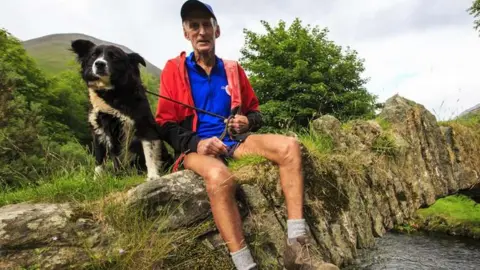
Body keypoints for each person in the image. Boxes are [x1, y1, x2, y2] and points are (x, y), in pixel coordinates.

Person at [155, 1, 340, 269]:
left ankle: (298, 250)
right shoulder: (174, 69)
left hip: (235, 141)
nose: (201, 31)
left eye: (207, 25)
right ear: (186, 34)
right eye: (194, 26)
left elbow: (256, 113)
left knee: (289, 146)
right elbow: (164, 123)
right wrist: (198, 143)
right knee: (220, 177)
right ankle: (245, 265)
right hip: (196, 149)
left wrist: (246, 122)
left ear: (217, 31)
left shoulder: (232, 69)